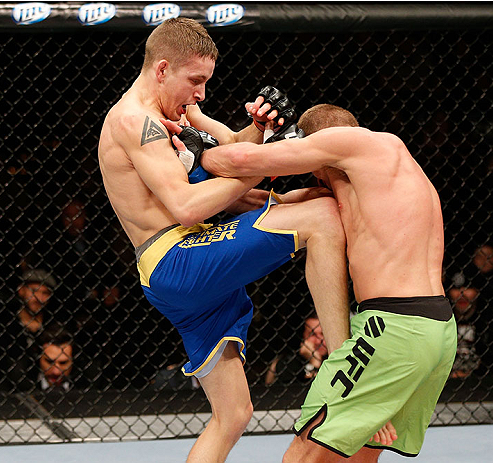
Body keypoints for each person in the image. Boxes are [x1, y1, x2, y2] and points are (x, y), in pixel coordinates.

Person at [98, 18, 351, 462]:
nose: (199, 94)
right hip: (178, 260)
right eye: (194, 81)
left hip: (189, 265)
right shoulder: (132, 121)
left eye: (205, 83)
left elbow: (231, 152)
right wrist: (267, 163)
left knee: (233, 414)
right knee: (324, 216)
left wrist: (260, 128)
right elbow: (187, 206)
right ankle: (344, 366)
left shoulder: (179, 112)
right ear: (161, 69)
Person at [192, 103, 458, 462]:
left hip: (391, 328)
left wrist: (197, 152)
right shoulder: (377, 180)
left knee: (304, 454)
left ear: (315, 143)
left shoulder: (358, 143)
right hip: (435, 330)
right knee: (358, 454)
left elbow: (238, 160)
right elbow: (264, 204)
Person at [266, 313, 328, 386]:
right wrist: (314, 362)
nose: (318, 341)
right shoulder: (289, 363)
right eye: (312, 334)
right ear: (304, 336)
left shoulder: (341, 359)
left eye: (323, 334)